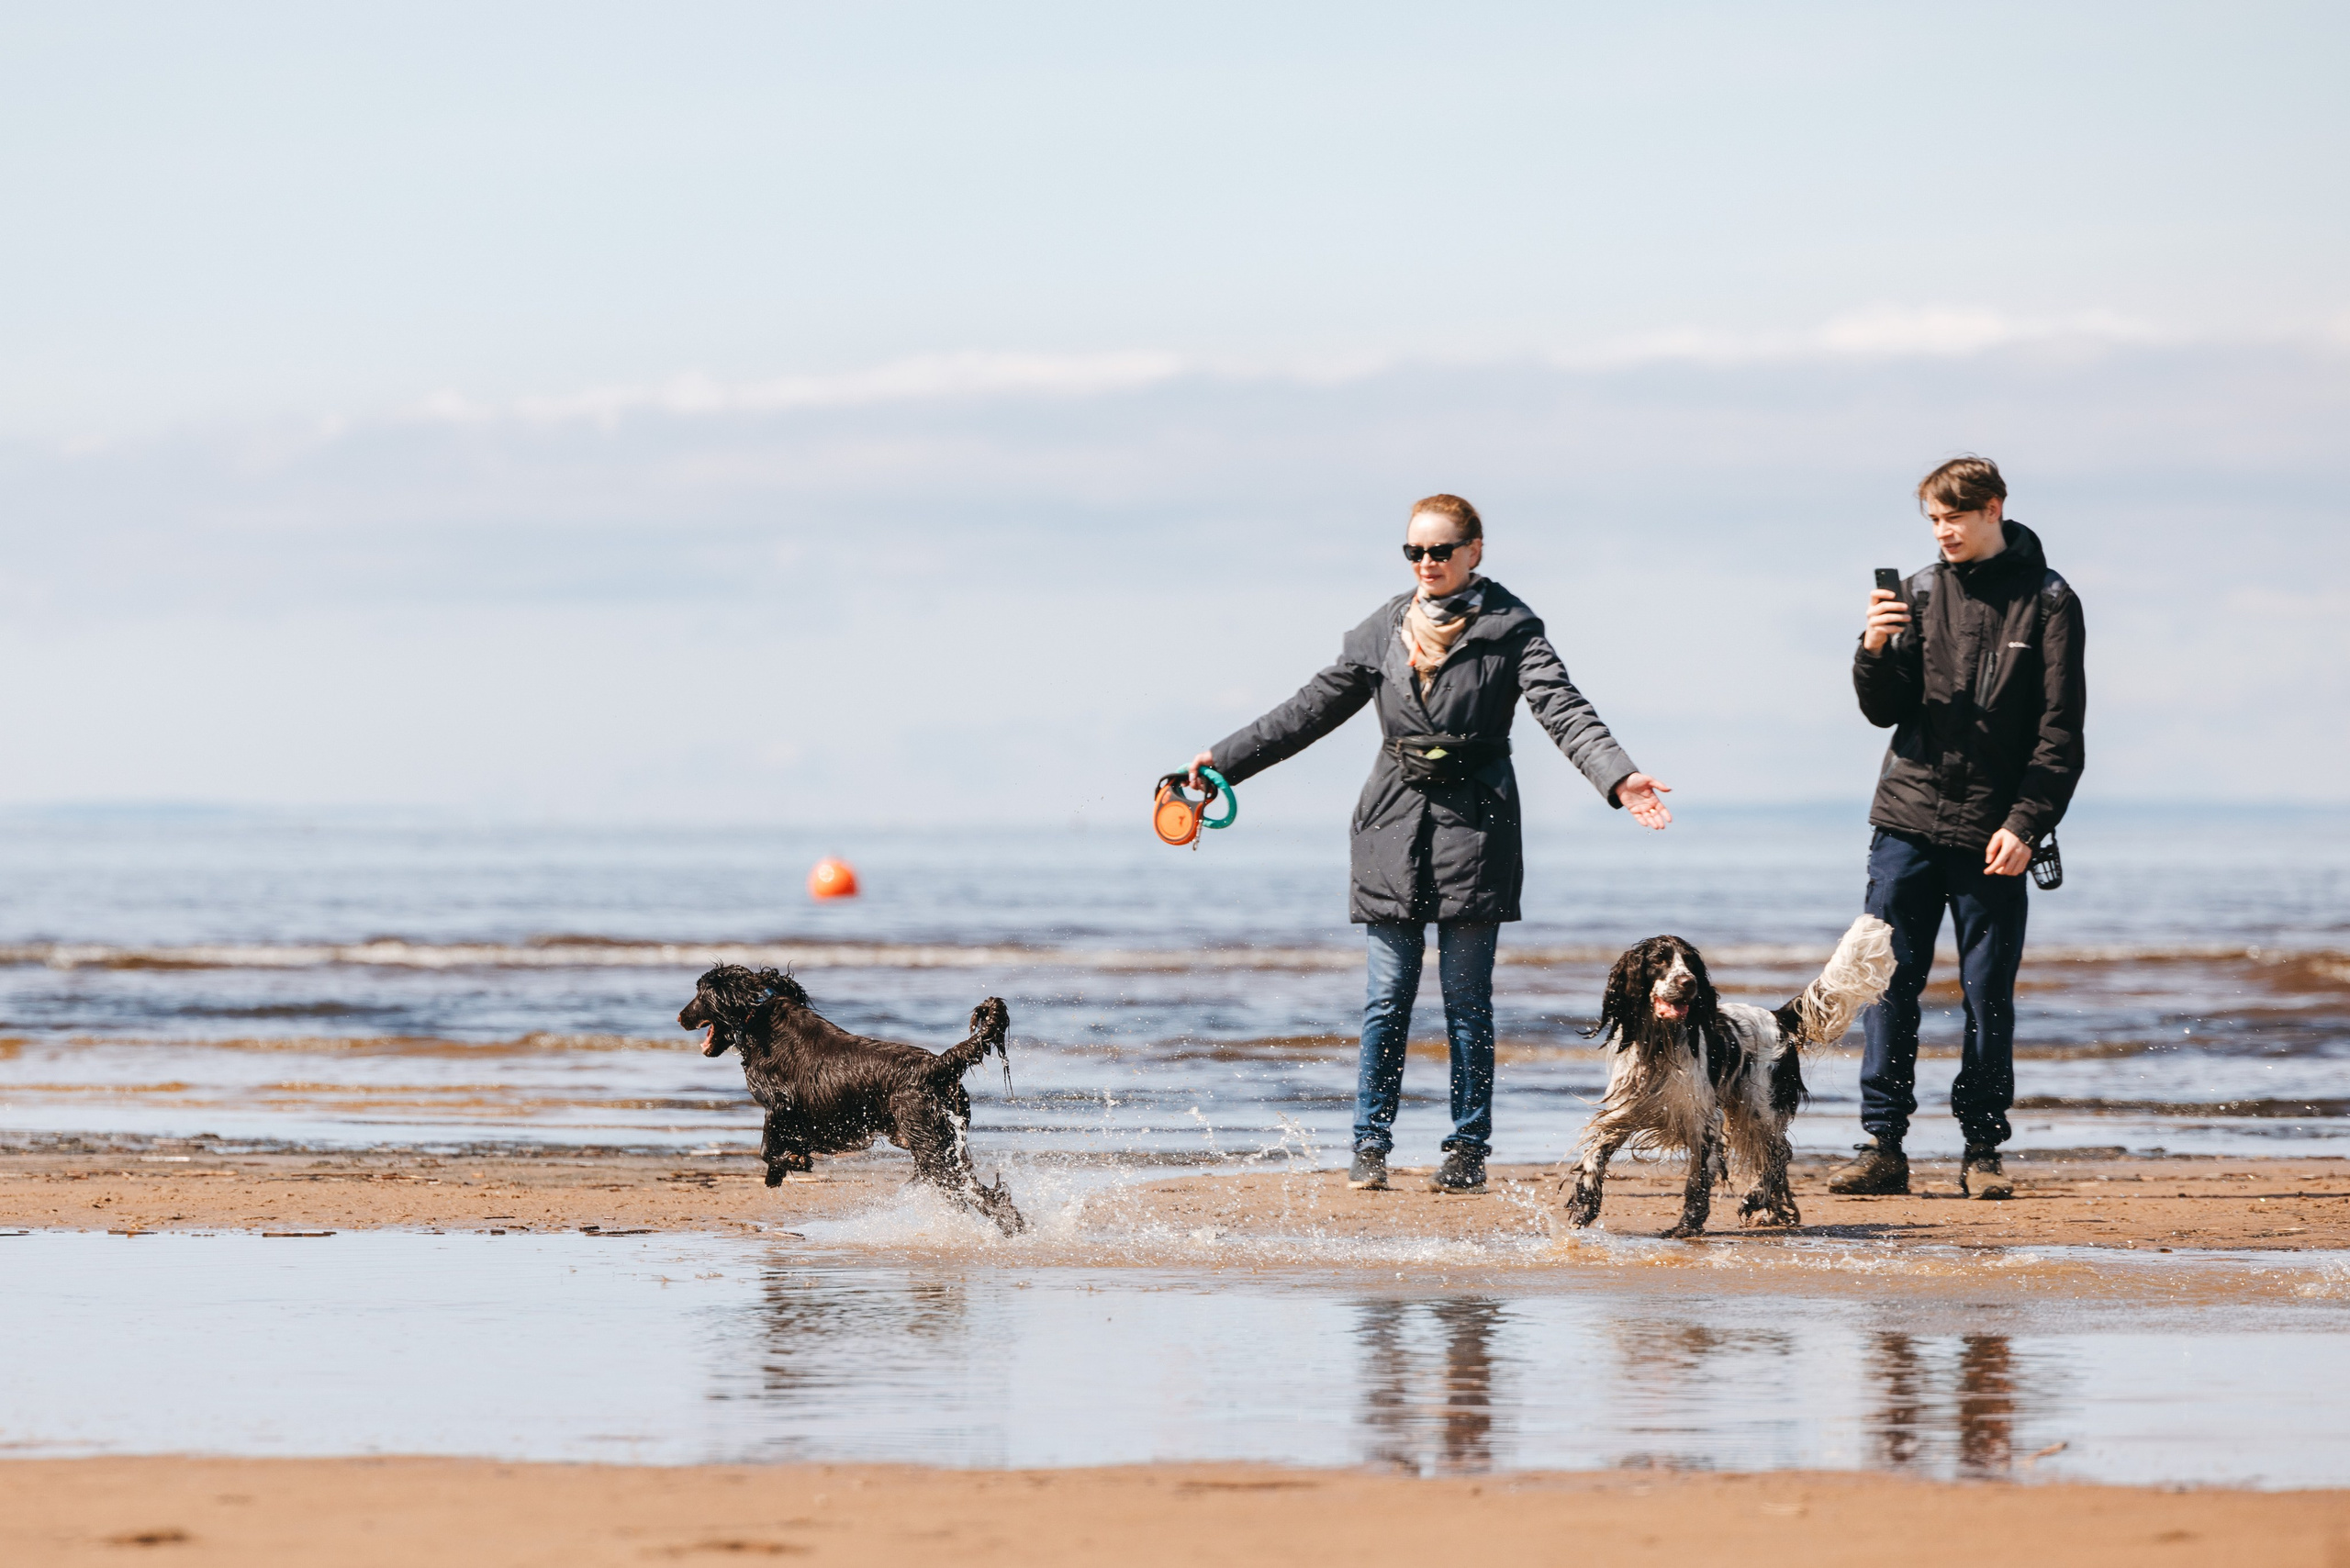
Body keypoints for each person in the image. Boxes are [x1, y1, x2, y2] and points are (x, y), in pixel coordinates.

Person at [1186, 494, 1670, 1194]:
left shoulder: (1512, 628)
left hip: (1478, 827)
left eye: (1440, 550)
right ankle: (1369, 1146)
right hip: (1391, 823)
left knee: (1467, 1003)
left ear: (1474, 551)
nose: (1427, 563)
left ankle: (1466, 1150)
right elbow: (1305, 712)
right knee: (1387, 999)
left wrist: (1618, 777)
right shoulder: (1382, 630)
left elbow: (1563, 708)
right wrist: (1222, 762)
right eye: (1414, 551)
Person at [1830, 456, 2086, 1200]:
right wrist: (1872, 649)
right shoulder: (1916, 593)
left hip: (1994, 833)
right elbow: (1883, 710)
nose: (1943, 531)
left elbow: (2060, 735)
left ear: (1993, 509)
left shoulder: (2050, 600)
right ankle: (1883, 1146)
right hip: (1905, 823)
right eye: (1934, 520)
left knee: (1987, 993)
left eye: (1955, 517)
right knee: (1886, 983)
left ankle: (1982, 1149)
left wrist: (2027, 823)